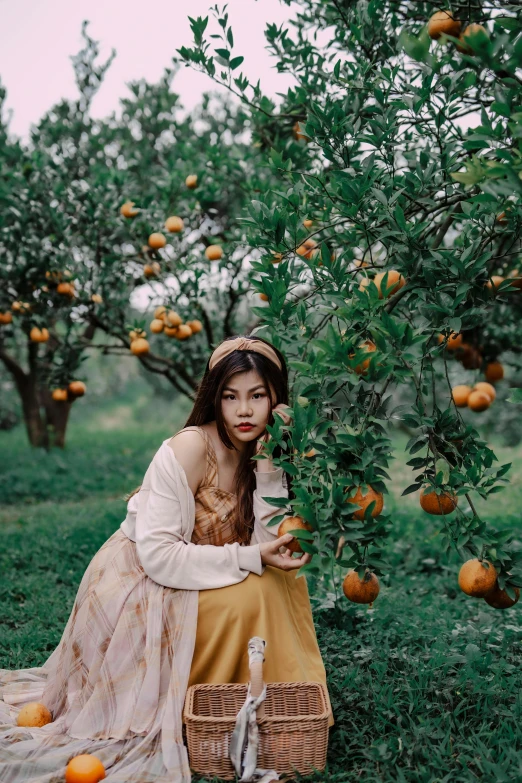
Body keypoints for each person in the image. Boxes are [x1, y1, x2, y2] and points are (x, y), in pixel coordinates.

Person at [0, 335, 333, 783]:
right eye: (231, 397)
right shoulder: (188, 449)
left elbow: (268, 545)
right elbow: (159, 556)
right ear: (213, 398)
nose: (245, 410)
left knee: (280, 582)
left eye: (258, 396)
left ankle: (269, 707)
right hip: (145, 583)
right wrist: (253, 557)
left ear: (277, 398)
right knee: (251, 595)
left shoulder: (266, 450)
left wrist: (271, 465)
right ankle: (213, 704)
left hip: (202, 569)